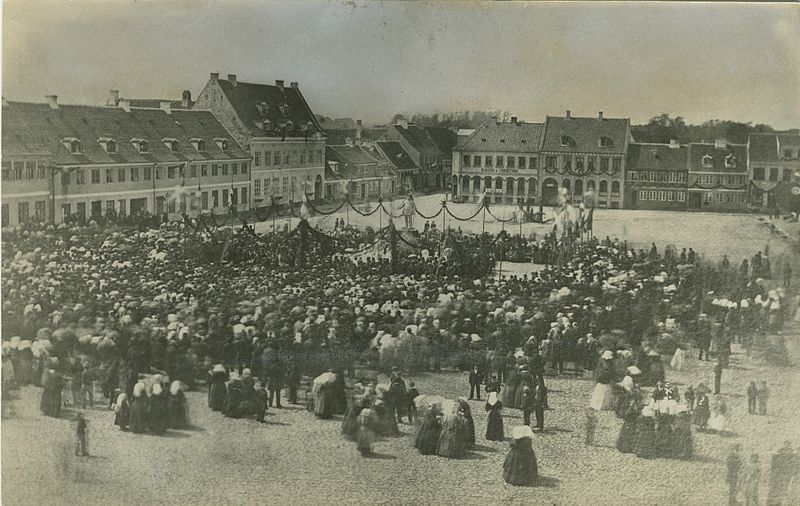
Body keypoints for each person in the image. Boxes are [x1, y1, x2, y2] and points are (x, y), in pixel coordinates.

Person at [767, 441, 798, 505]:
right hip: (781, 478)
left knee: (783, 493)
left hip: (784, 478)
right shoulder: (780, 456)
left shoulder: (792, 456)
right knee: (781, 494)